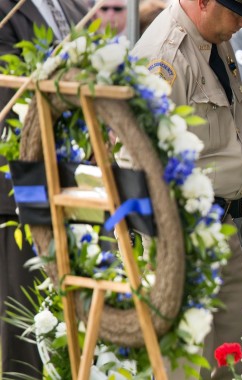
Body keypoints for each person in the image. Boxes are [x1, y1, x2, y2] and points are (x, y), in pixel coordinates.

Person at [131, 1, 242, 378]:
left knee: (233, 355)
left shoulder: (211, 36)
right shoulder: (164, 55)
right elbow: (136, 158)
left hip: (218, 227)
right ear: (202, 2)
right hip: (181, 236)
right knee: (191, 363)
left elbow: (215, 147)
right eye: (237, 11)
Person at [0, 1, 88, 377]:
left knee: (66, 317)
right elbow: (11, 98)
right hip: (22, 185)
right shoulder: (7, 12)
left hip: (72, 182)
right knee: (26, 321)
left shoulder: (74, 6)